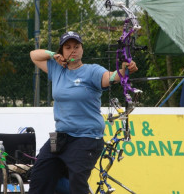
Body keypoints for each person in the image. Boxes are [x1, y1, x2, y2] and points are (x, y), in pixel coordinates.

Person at [29, 31, 138, 193]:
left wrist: (123, 71)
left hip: (87, 138)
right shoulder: (57, 69)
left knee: (77, 184)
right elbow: (34, 55)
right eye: (68, 47)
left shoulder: (92, 71)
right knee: (39, 177)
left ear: (82, 50)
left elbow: (111, 76)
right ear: (62, 51)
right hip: (61, 137)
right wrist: (54, 55)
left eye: (76, 46)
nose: (73, 50)